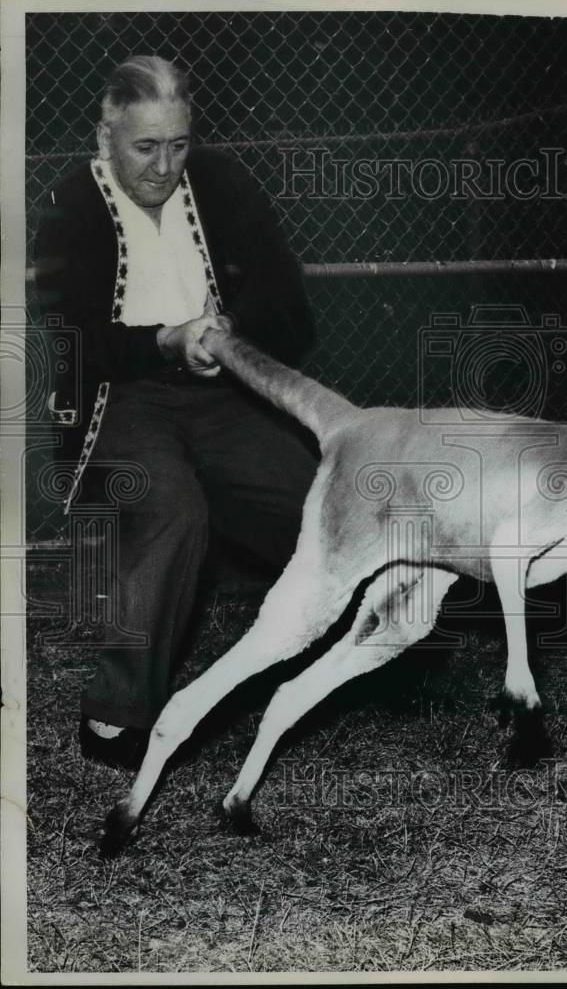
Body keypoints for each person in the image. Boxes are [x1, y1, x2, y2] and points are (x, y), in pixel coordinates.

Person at [35, 55, 318, 768]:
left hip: (224, 391)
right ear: (106, 136)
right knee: (170, 509)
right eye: (144, 147)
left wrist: (229, 328)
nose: (164, 166)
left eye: (178, 144)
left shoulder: (223, 186)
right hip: (118, 399)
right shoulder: (74, 202)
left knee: (314, 498)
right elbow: (73, 348)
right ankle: (115, 715)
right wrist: (163, 342)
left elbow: (293, 312)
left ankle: (371, 649)